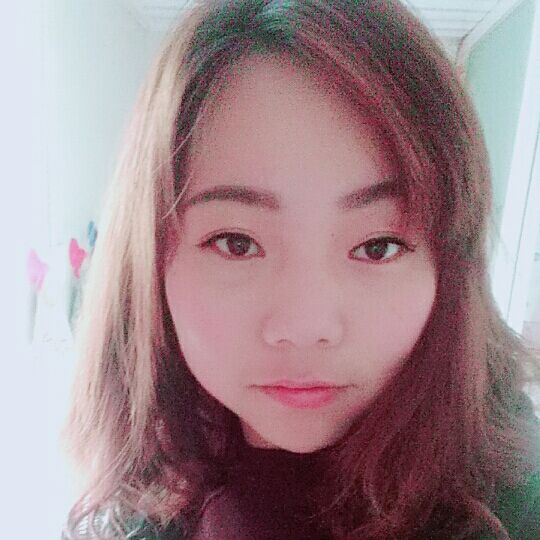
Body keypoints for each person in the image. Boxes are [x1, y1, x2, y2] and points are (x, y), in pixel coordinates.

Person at [60, 0, 540, 538]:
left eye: (378, 246)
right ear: (151, 261)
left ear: (449, 268)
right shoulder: (128, 505)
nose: (305, 326)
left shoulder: (515, 507)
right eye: (236, 243)